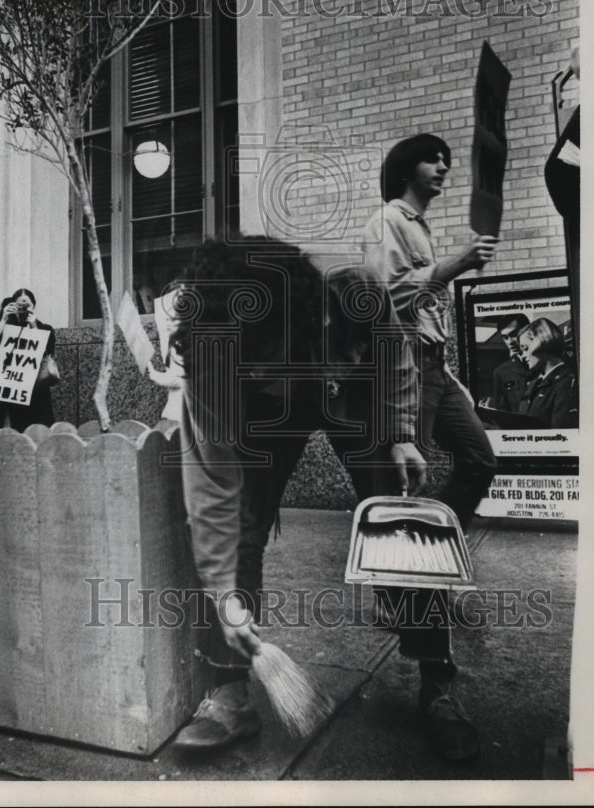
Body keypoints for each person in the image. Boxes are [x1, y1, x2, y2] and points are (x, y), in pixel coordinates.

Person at [170, 237, 437, 755]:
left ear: (302, 316)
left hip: (354, 390)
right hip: (269, 415)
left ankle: (437, 679)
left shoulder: (356, 293)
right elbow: (211, 488)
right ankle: (229, 693)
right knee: (244, 523)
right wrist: (224, 593)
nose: (259, 369)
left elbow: (398, 356)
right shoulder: (213, 354)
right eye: (249, 361)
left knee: (397, 518)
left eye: (265, 354)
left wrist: (402, 432)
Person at [360, 132, 500, 759]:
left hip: (436, 368)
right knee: (409, 506)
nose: (443, 166)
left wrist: (454, 382)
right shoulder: (389, 219)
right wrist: (455, 265)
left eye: (446, 159)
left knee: (479, 458)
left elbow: (428, 313)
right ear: (404, 169)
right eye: (432, 158)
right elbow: (388, 301)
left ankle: (424, 563)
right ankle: (435, 687)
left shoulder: (419, 224)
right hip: (405, 367)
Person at [0, 288, 58, 434]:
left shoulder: (45, 329)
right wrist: (4, 319)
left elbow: (48, 351)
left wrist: (33, 327)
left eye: (27, 306)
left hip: (34, 393)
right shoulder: (6, 328)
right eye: (20, 306)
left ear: (34, 306)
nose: (24, 310)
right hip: (7, 394)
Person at [517, 318, 578, 428]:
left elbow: (561, 436)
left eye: (526, 349)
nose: (523, 356)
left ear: (542, 342)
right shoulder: (534, 383)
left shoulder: (566, 383)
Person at [489, 313, 530, 413]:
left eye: (513, 334)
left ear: (528, 330)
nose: (510, 342)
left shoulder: (545, 359)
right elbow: (501, 413)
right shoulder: (501, 372)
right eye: (505, 337)